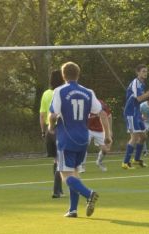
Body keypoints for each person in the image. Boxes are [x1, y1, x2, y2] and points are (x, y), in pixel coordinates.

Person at [48, 62, 112, 218]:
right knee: (75, 172)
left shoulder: (59, 91)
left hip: (66, 138)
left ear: (64, 76)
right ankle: (73, 209)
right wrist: (107, 135)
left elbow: (53, 114)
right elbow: (102, 114)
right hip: (83, 138)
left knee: (65, 175)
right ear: (78, 74)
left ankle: (89, 194)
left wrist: (50, 127)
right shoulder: (88, 92)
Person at [122, 64, 149, 169]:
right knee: (134, 137)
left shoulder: (142, 84)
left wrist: (148, 97)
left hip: (136, 113)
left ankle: (136, 159)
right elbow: (138, 99)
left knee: (143, 137)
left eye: (146, 71)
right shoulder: (136, 83)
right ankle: (125, 162)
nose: (145, 73)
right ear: (137, 72)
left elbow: (140, 98)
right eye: (143, 71)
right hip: (131, 113)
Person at [39, 70, 64, 198]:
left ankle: (59, 189)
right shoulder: (63, 92)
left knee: (56, 160)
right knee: (62, 161)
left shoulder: (46, 94)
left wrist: (44, 131)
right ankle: (56, 190)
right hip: (61, 129)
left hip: (50, 130)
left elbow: (42, 115)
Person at [86, 99, 113, 172]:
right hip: (88, 129)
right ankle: (80, 166)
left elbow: (109, 116)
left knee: (105, 150)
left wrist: (110, 130)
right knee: (83, 147)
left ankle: (99, 162)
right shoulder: (86, 104)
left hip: (100, 130)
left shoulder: (102, 105)